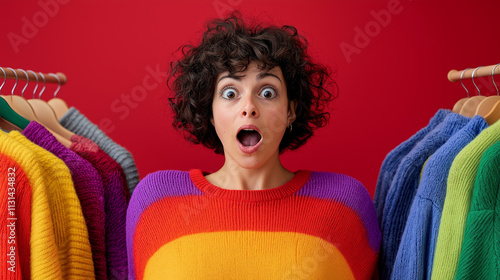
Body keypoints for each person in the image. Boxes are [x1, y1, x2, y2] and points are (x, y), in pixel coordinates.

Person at [126, 11, 380, 280]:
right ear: (210, 111)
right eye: (230, 93)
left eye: (267, 92)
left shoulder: (345, 206)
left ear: (290, 110)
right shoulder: (155, 202)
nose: (249, 107)